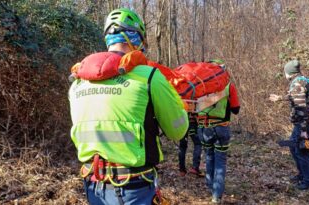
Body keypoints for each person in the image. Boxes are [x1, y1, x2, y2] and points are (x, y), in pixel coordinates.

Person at [68, 8, 188, 205]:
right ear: (137, 39)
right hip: (134, 186)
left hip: (93, 184)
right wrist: (180, 109)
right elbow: (178, 131)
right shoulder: (149, 76)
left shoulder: (77, 83)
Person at [269, 60, 309, 190]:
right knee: (293, 146)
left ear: (289, 72)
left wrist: (303, 130)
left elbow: (301, 108)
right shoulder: (302, 80)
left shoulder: (297, 85)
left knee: (301, 151)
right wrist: (280, 98)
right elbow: (298, 97)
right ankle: (302, 175)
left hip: (305, 122)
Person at [197, 69, 240, 204]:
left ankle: (210, 186)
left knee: (209, 155)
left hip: (204, 127)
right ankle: (216, 195)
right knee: (220, 161)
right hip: (221, 127)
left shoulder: (199, 85)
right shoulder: (228, 86)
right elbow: (236, 109)